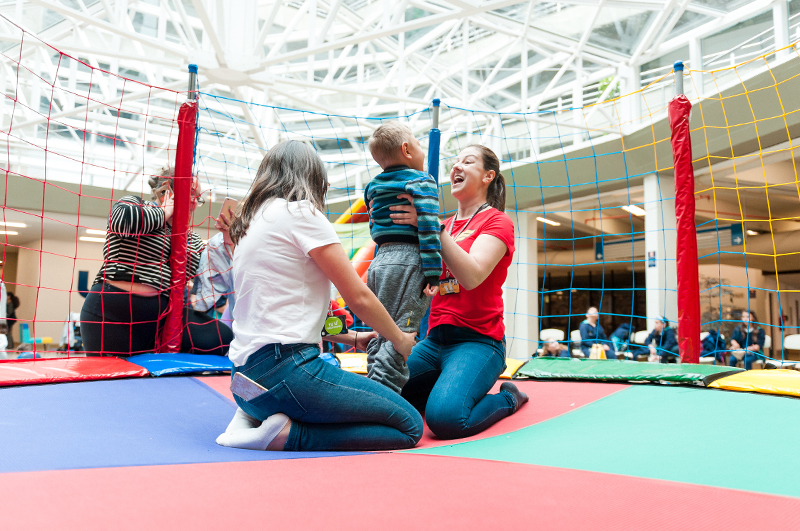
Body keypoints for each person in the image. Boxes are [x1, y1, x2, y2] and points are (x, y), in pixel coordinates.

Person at [215, 140, 423, 452]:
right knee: (409, 425)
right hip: (285, 375)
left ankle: (254, 419)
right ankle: (289, 436)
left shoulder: (250, 224)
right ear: (311, 177)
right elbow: (358, 296)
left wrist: (353, 339)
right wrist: (399, 339)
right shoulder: (301, 212)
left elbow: (281, 310)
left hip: (244, 384)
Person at [387, 144, 529, 440]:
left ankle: (508, 398)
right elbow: (426, 285)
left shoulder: (496, 221)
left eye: (468, 161)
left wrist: (429, 225)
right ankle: (444, 388)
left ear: (489, 176)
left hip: (478, 341)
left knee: (447, 419)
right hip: (434, 341)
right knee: (382, 397)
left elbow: (472, 276)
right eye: (455, 162)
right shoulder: (447, 224)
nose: (456, 167)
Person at [79, 167, 233, 356]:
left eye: (198, 198)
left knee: (221, 336)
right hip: (112, 314)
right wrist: (165, 212)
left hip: (159, 321)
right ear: (167, 190)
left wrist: (228, 239)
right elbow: (122, 222)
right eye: (191, 194)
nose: (194, 203)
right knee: (110, 380)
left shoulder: (191, 239)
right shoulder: (135, 204)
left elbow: (207, 277)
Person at [363, 122, 441, 393]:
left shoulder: (372, 185)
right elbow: (430, 228)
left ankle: (373, 377)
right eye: (419, 144)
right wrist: (434, 272)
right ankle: (382, 396)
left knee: (383, 330)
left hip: (379, 262)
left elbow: (374, 222)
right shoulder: (422, 181)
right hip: (410, 260)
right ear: (406, 149)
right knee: (404, 332)